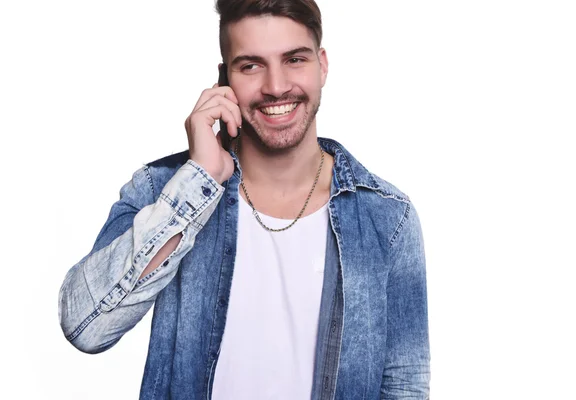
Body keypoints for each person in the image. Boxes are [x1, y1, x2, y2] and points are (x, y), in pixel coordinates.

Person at [58, 0, 430, 398]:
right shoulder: (162, 191)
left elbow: (404, 384)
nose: (275, 86)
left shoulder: (386, 217)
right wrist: (199, 181)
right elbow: (86, 327)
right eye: (251, 65)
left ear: (322, 65)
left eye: (294, 59)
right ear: (224, 79)